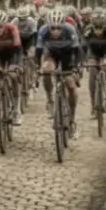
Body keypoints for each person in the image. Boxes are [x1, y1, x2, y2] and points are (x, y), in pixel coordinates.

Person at [36, 8, 82, 139]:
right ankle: (50, 100)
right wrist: (36, 66)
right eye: (53, 28)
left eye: (58, 28)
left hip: (68, 56)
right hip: (51, 54)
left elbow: (77, 51)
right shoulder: (43, 30)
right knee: (46, 70)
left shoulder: (70, 30)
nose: (55, 31)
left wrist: (77, 67)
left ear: (64, 25)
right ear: (48, 26)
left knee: (70, 83)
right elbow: (39, 51)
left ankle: (72, 120)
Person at [82, 9, 106, 111]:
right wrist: (85, 59)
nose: (98, 31)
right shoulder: (88, 29)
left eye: (100, 28)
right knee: (92, 70)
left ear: (104, 26)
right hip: (93, 53)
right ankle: (93, 105)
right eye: (96, 28)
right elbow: (84, 45)